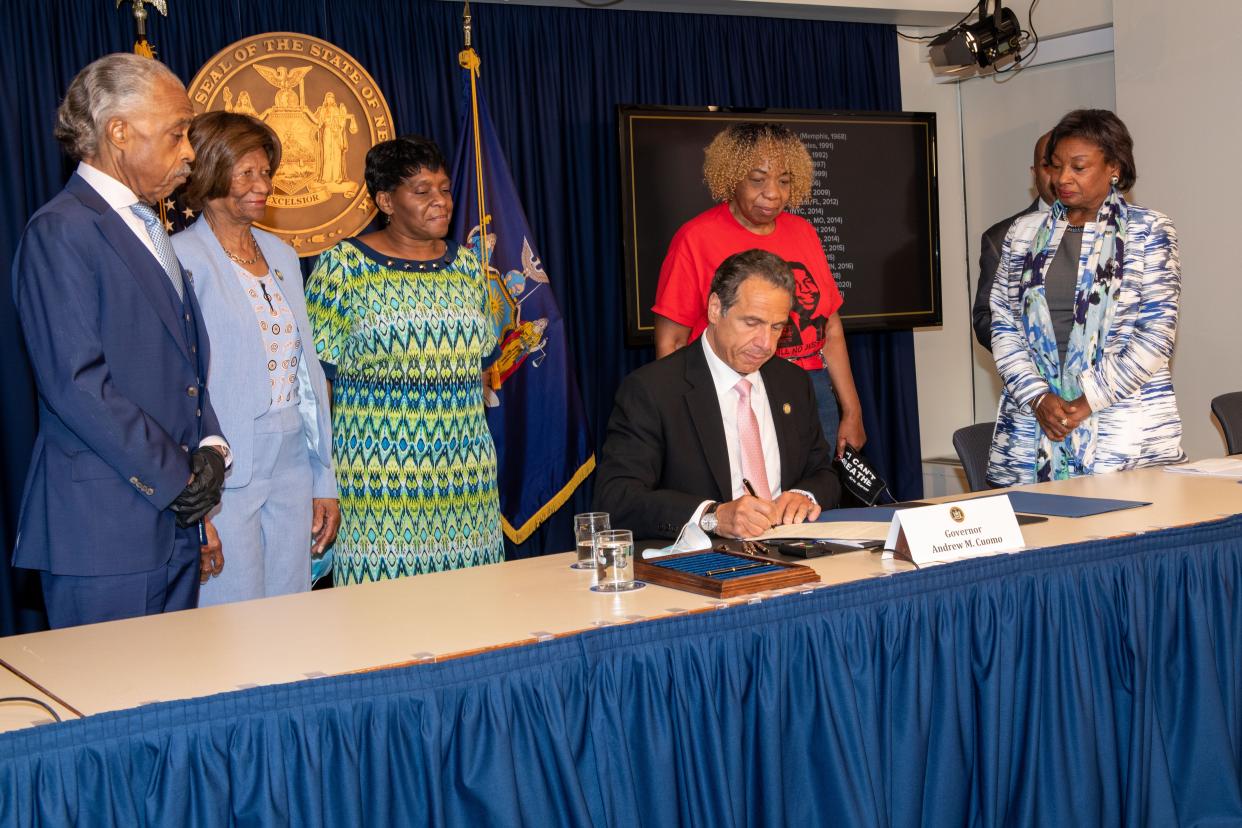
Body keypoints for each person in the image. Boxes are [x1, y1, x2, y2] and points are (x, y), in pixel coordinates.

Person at [11, 54, 228, 628]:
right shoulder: (62, 230)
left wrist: (210, 447)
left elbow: (185, 362)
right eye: (178, 132)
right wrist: (178, 476)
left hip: (172, 520)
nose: (189, 152)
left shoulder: (148, 223)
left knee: (172, 702)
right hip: (103, 529)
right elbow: (76, 384)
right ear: (119, 132)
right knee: (111, 711)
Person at [304, 135, 504, 583]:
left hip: (465, 481)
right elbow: (316, 388)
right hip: (378, 485)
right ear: (385, 201)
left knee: (473, 615)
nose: (440, 201)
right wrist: (321, 482)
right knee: (382, 624)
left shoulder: (468, 266)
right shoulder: (343, 267)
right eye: (422, 191)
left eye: (445, 188)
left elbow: (482, 369)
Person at [172, 112, 340, 604]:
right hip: (223, 466)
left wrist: (322, 476)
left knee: (292, 610)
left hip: (293, 459)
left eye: (265, 172)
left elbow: (307, 376)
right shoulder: (181, 259)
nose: (261, 185)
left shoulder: (283, 254)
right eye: (245, 173)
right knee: (233, 613)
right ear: (209, 174)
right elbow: (180, 385)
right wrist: (196, 502)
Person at [988, 109, 1184, 485]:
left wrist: (1086, 401)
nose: (1062, 178)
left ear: (1114, 167)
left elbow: (1155, 336)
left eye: (1078, 167)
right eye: (1056, 165)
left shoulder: (1150, 230)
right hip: (1033, 430)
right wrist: (1038, 397)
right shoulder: (1023, 233)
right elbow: (1003, 323)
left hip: (1122, 435)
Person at [651, 122, 865, 457]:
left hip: (812, 391)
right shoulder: (695, 239)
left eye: (784, 180)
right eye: (757, 179)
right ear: (731, 176)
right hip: (732, 392)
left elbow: (831, 327)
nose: (773, 194)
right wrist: (679, 416)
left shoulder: (804, 232)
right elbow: (672, 341)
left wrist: (851, 410)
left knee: (812, 501)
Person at [595, 249, 840, 539]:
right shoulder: (654, 390)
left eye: (776, 328)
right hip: (706, 563)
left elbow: (823, 473)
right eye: (751, 323)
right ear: (715, 308)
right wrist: (712, 516)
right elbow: (617, 499)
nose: (765, 343)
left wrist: (804, 494)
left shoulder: (792, 382)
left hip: (791, 551)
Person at [972, 130, 1056, 350]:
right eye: (1048, 165)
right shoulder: (1000, 237)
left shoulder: (1108, 229)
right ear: (1034, 172)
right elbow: (985, 319)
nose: (1058, 175)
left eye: (1067, 165)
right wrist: (1027, 359)